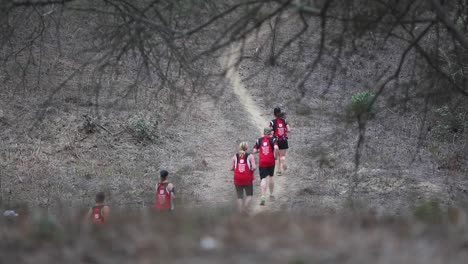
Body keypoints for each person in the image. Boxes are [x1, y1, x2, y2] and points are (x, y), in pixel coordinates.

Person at [253, 127, 279, 205]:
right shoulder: (273, 140)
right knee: (271, 176)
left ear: (264, 133)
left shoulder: (259, 140)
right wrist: (275, 156)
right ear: (270, 133)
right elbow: (276, 147)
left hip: (262, 162)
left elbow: (254, 151)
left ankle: (263, 196)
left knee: (263, 178)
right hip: (271, 161)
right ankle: (271, 195)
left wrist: (259, 150)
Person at [230, 142, 256, 214]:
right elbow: (254, 167)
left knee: (239, 197)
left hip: (237, 178)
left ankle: (240, 212)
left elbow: (231, 168)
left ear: (239, 148)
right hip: (247, 178)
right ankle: (245, 208)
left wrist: (235, 170)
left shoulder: (235, 156)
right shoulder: (250, 156)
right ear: (247, 148)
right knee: (249, 195)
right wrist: (252, 171)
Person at [269, 107, 291, 175]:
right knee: (282, 156)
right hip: (284, 140)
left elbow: (271, 132)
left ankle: (279, 171)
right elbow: (289, 130)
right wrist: (284, 131)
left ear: (274, 114)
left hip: (276, 141)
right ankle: (283, 163)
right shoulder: (284, 121)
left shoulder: (272, 122)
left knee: (277, 157)